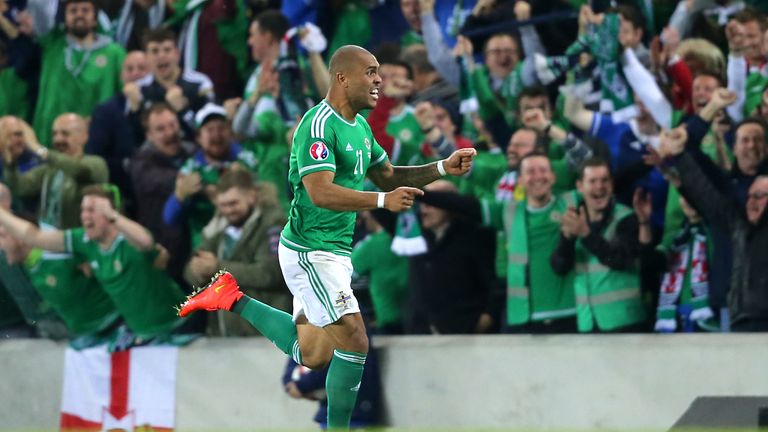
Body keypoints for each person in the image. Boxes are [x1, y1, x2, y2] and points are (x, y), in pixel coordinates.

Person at [178, 45, 475, 429]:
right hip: (309, 249)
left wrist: (441, 167)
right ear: (342, 77)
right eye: (370, 72)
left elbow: (388, 176)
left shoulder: (361, 128)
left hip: (334, 251)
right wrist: (382, 201)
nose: (378, 80)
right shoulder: (317, 125)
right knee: (355, 339)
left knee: (314, 355)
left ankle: (230, 296)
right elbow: (321, 192)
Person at [0, 184, 189, 343]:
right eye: (83, 210)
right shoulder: (83, 241)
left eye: (91, 210)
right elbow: (33, 236)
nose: (84, 216)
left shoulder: (129, 241)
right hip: (140, 334)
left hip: (178, 325)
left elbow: (146, 243)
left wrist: (111, 215)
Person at [659, 125, 768, 332]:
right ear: (733, 147)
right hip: (737, 312)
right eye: (750, 196)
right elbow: (703, 193)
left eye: (761, 197)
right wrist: (680, 154)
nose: (752, 202)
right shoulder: (733, 210)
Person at [183, 170, 289, 336]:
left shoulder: (273, 225)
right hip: (226, 335)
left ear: (252, 197)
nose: (228, 211)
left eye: (233, 204)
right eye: (223, 206)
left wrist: (217, 267)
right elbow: (191, 273)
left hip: (264, 334)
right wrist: (197, 270)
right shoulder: (217, 229)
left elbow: (270, 273)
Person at [550, 158, 647, 333]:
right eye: (592, 181)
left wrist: (586, 234)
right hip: (587, 322)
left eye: (604, 180)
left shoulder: (627, 218)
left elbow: (619, 259)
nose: (599, 187)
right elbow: (559, 267)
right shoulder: (575, 218)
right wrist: (567, 238)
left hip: (625, 322)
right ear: (580, 186)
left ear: (612, 184)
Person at [5, 113, 108, 229]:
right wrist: (10, 162)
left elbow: (80, 171)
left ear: (84, 137)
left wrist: (38, 149)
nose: (58, 139)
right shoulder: (50, 168)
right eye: (54, 134)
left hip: (74, 240)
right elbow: (21, 187)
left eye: (65, 134)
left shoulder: (96, 163)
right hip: (44, 238)